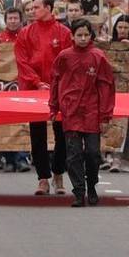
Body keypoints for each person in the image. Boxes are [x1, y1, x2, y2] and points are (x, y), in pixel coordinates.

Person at [49, 19, 116, 207]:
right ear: (72, 36)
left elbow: (106, 87)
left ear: (91, 36)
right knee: (73, 154)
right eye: (79, 35)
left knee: (93, 153)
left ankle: (92, 184)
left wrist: (105, 115)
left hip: (92, 112)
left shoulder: (98, 56)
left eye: (86, 35)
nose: (83, 38)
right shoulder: (64, 56)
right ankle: (79, 191)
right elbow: (55, 81)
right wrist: (53, 106)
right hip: (71, 112)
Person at [14, 0, 73, 196]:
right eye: (31, 8)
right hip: (34, 90)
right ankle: (42, 178)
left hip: (59, 90)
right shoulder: (25, 33)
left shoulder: (64, 32)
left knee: (62, 134)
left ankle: (58, 172)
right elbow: (22, 61)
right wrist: (37, 82)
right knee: (37, 134)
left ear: (48, 8)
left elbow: (68, 60)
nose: (32, 10)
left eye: (36, 7)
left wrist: (55, 84)